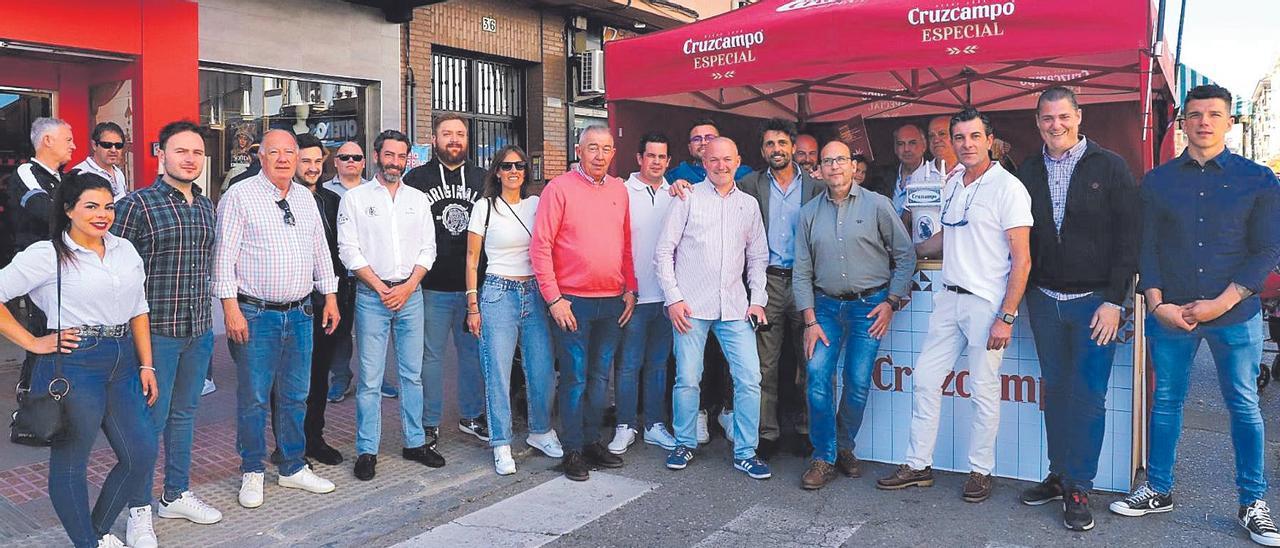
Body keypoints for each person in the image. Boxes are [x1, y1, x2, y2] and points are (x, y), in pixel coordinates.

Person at [1111, 84, 1280, 547]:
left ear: (1229, 122)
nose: (1204, 121)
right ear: (1182, 122)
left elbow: (1268, 248)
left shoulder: (1260, 179)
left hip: (1234, 313)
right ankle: (1158, 489)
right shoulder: (1159, 181)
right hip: (1171, 314)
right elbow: (1147, 246)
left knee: (1244, 405)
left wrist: (1222, 302)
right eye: (1195, 114)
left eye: (1214, 114)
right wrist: (1158, 302)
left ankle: (1253, 503)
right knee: (1165, 401)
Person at [876, 107, 1032, 504]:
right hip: (948, 298)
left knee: (983, 388)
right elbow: (946, 237)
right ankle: (918, 465)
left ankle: (981, 470)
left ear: (989, 140)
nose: (966, 144)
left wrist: (1007, 315)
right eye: (958, 137)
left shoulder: (1008, 188)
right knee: (926, 379)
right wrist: (903, 251)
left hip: (986, 303)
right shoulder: (953, 183)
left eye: (974, 137)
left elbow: (1022, 258)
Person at [0, 173, 158, 548]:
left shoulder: (124, 249)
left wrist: (147, 365)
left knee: (141, 453)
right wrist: (34, 342)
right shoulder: (46, 255)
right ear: (69, 209)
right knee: (72, 461)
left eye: (108, 206)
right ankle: (87, 541)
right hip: (74, 364)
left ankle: (97, 530)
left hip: (122, 361)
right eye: (91, 206)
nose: (102, 215)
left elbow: (139, 308)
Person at [1014, 87, 1139, 531]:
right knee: (1056, 392)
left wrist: (1113, 301)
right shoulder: (1027, 171)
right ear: (1037, 123)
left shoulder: (1110, 167)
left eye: (1063, 116)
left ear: (1079, 116)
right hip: (1045, 301)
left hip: (1094, 305)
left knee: (1088, 396)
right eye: (1047, 118)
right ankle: (1059, 473)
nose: (1056, 125)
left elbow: (1130, 241)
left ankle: (1080, 485)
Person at [213, 129, 340, 509]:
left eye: (290, 152)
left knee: (295, 395)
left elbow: (321, 250)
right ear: (261, 156)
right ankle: (252, 470)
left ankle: (292, 466)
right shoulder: (239, 195)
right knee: (253, 398)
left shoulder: (305, 198)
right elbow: (224, 256)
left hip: (301, 312)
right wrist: (230, 308)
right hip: (255, 314)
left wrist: (329, 296)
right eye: (275, 152)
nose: (284, 159)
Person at [111, 121, 222, 547]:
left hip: (197, 332)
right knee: (147, 424)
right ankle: (138, 510)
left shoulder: (206, 205)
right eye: (181, 151)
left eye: (196, 152)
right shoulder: (137, 205)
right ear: (161, 154)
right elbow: (115, 271)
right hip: (153, 335)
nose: (190, 158)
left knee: (184, 417)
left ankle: (175, 493)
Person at [794, 140, 914, 490]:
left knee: (858, 383)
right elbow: (802, 271)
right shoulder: (808, 214)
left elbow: (905, 255)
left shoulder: (879, 205)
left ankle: (844, 444)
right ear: (819, 169)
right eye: (827, 161)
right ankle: (824, 455)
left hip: (869, 308)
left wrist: (892, 301)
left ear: (852, 165)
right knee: (817, 378)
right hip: (825, 308)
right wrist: (809, 320)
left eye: (840, 160)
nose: (834, 167)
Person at [655, 136, 771, 480]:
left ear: (738, 162)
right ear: (704, 164)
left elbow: (758, 257)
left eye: (727, 160)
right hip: (691, 305)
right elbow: (664, 251)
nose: (720, 166)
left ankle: (746, 452)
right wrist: (673, 298)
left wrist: (758, 300)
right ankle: (685, 441)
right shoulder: (687, 198)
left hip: (735, 306)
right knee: (688, 378)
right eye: (713, 160)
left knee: (750, 379)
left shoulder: (748, 205)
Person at [530, 125, 637, 481]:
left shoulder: (620, 190)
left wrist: (630, 289)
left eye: (606, 149)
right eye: (592, 148)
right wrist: (554, 299)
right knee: (574, 378)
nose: (599, 156)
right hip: (571, 301)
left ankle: (592, 442)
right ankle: (573, 449)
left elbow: (625, 244)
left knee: (599, 377)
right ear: (579, 150)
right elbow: (541, 246)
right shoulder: (558, 189)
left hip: (611, 301)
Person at [338, 129, 443, 480]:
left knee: (412, 376)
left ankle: (414, 442)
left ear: (407, 159)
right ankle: (367, 449)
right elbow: (348, 250)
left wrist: (409, 286)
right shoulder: (355, 199)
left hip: (412, 296)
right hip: (372, 297)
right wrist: (383, 288)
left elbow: (429, 248)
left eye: (401, 156)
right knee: (370, 379)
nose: (394, 162)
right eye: (389, 155)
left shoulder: (418, 199)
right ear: (376, 155)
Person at [464, 145, 563, 475]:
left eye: (520, 165)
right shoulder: (484, 207)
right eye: (507, 166)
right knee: (498, 372)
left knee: (542, 369)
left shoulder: (537, 204)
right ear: (496, 171)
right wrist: (472, 305)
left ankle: (540, 430)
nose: (514, 171)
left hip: (534, 292)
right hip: (497, 292)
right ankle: (501, 441)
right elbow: (472, 259)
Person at [735, 118, 826, 459]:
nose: (777, 150)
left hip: (806, 280)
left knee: (809, 361)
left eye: (782, 143)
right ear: (763, 151)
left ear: (793, 147)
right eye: (770, 144)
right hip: (766, 282)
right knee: (764, 364)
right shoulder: (748, 185)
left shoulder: (816, 188)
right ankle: (767, 433)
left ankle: (806, 430)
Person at [403, 114, 490, 445]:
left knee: (472, 356)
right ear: (434, 138)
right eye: (447, 133)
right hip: (432, 287)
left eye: (460, 134)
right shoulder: (416, 179)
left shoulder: (484, 179)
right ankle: (429, 422)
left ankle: (471, 415)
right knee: (431, 358)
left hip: (474, 288)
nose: (454, 139)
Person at [608, 132, 679, 454]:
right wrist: (624, 287)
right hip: (632, 298)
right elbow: (613, 244)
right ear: (639, 158)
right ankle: (625, 425)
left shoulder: (677, 194)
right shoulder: (622, 191)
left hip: (666, 299)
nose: (656, 162)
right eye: (651, 155)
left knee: (658, 365)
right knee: (627, 365)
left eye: (662, 157)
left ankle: (653, 425)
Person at [4, 117, 74, 415]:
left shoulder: (64, 178)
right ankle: (30, 404)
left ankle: (57, 398)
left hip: (63, 263)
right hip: (36, 266)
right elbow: (46, 212)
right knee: (42, 330)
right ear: (47, 140)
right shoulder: (26, 172)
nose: (73, 145)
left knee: (61, 329)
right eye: (68, 139)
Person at [289, 133, 346, 465]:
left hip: (327, 301)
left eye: (316, 161)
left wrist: (336, 298)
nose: (311, 167)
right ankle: (290, 443)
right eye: (305, 161)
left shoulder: (332, 201)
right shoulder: (284, 199)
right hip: (293, 301)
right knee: (291, 379)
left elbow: (337, 254)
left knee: (319, 374)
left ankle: (314, 438)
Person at [321, 140, 385, 403]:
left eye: (356, 158)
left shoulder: (377, 192)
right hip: (337, 275)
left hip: (370, 276)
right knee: (340, 329)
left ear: (364, 161)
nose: (351, 161)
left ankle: (379, 379)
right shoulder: (322, 191)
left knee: (374, 330)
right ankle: (340, 377)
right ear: (335, 161)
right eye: (345, 157)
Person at [666, 117, 753, 186]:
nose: (703, 143)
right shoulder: (675, 175)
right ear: (690, 148)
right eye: (697, 139)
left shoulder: (743, 173)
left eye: (709, 138)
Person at [71, 122, 129, 201]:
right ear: (94, 145)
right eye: (107, 145)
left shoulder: (118, 173)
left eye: (118, 145)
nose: (113, 150)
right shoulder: (80, 173)